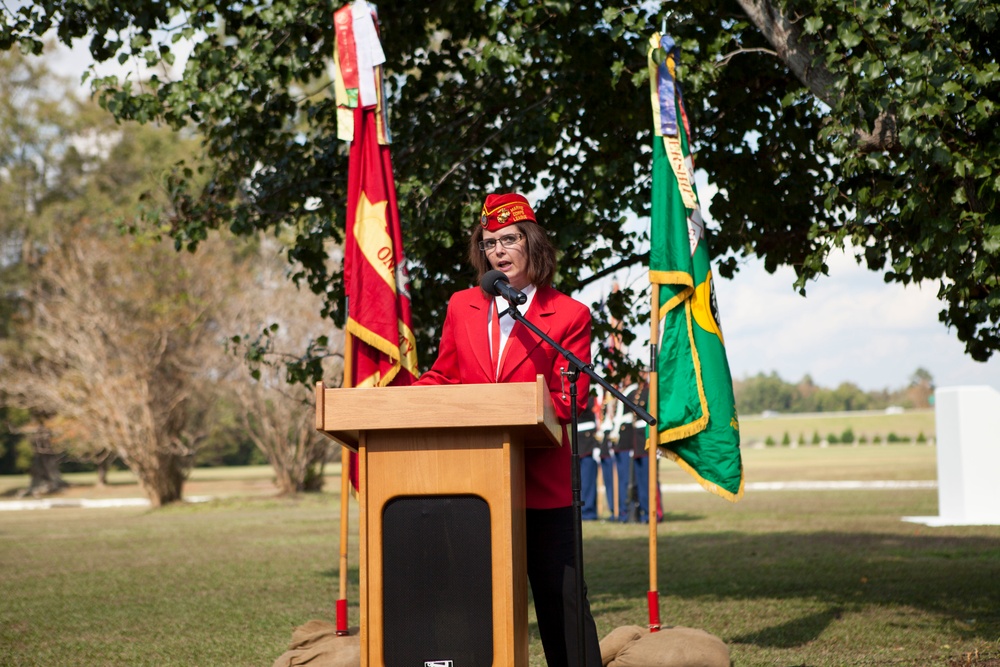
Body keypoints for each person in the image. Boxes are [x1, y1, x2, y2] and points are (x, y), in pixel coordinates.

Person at [415, 192, 602, 667]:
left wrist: (524, 404)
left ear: (532, 243)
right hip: (475, 485)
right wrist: (405, 395)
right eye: (489, 241)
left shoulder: (569, 314)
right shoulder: (461, 306)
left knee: (561, 603)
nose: (497, 250)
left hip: (545, 485)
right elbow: (445, 374)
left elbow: (571, 397)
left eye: (509, 239)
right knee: (475, 603)